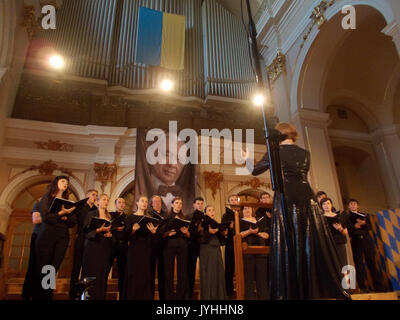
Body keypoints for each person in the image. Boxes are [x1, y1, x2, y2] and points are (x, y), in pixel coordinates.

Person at [244, 122, 349, 300]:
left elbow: (254, 170)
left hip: (286, 197)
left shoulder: (275, 153)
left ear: (278, 135)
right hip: (307, 197)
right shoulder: (305, 152)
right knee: (308, 242)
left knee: (288, 242)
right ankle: (316, 288)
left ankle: (290, 290)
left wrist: (246, 158)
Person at [33, 176, 77, 300]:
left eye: (67, 183)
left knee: (53, 267)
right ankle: (40, 296)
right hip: (47, 235)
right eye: (63, 181)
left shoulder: (67, 202)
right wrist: (60, 214)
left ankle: (47, 295)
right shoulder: (46, 198)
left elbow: (72, 222)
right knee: (44, 267)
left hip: (62, 237)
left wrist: (66, 216)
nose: (65, 184)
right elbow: (46, 217)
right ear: (56, 183)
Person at [134, 130, 196, 215]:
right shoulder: (141, 189)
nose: (173, 164)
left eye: (179, 159)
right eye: (167, 155)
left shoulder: (190, 198)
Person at [122, 195, 159, 300]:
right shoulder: (130, 218)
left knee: (145, 275)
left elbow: (155, 240)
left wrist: (154, 232)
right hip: (134, 250)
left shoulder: (150, 220)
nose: (144, 203)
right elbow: (124, 238)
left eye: (146, 202)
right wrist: (132, 230)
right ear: (137, 203)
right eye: (142, 201)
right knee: (133, 275)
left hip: (147, 251)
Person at [345, 199, 384, 292]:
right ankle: (362, 287)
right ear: (349, 207)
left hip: (366, 239)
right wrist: (355, 225)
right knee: (359, 263)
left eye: (355, 204)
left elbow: (369, 227)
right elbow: (348, 229)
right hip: (356, 239)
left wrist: (363, 223)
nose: (353, 205)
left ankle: (379, 286)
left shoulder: (364, 215)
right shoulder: (347, 216)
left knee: (371, 261)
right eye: (351, 204)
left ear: (358, 206)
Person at [81, 194, 113, 300]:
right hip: (92, 246)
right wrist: (98, 230)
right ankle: (86, 297)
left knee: (102, 274)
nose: (106, 202)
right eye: (104, 199)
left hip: (104, 248)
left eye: (107, 200)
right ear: (98, 202)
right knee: (90, 273)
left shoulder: (110, 217)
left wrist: (110, 235)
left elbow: (111, 233)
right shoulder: (91, 214)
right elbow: (85, 231)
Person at [69, 189, 98, 300]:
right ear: (87, 196)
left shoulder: (96, 210)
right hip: (81, 237)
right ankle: (72, 294)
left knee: (88, 267)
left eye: (96, 195)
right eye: (93, 195)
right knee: (76, 267)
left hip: (91, 239)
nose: (95, 197)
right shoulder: (80, 207)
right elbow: (73, 221)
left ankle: (85, 293)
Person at [160, 197, 191, 300]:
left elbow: (189, 235)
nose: (179, 205)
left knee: (182, 272)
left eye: (180, 203)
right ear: (172, 205)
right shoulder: (166, 217)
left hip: (182, 245)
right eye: (177, 203)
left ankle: (180, 296)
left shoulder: (184, 217)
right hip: (169, 245)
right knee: (168, 272)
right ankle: (169, 297)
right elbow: (161, 234)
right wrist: (168, 233)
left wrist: (186, 233)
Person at [240, 206, 270, 300]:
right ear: (242, 211)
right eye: (245, 208)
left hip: (261, 251)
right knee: (249, 278)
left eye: (249, 208)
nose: (247, 210)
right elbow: (238, 235)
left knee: (262, 278)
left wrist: (257, 233)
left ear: (252, 210)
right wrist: (249, 231)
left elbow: (267, 235)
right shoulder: (240, 221)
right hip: (247, 251)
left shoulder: (259, 220)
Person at [198, 205, 227, 300]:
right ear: (205, 213)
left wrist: (222, 233)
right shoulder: (202, 224)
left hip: (216, 250)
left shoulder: (217, 224)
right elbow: (199, 238)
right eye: (209, 210)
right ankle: (208, 297)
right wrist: (208, 232)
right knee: (208, 273)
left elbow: (222, 241)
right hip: (207, 250)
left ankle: (219, 296)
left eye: (213, 210)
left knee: (218, 272)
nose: (212, 212)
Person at [108, 197, 128, 297]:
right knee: (106, 269)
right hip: (111, 245)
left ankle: (122, 295)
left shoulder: (127, 218)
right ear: (116, 204)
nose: (121, 204)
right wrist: (115, 228)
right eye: (119, 202)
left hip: (123, 247)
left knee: (122, 273)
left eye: (123, 202)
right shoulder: (110, 216)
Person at [320, 198, 348, 270]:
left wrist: (340, 229)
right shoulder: (320, 218)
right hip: (328, 244)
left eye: (328, 203)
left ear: (331, 205)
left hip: (339, 243)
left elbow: (345, 232)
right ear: (321, 206)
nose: (326, 205)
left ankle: (345, 281)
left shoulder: (339, 216)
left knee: (342, 265)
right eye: (324, 204)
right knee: (331, 267)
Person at [149, 195, 168, 299]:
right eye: (155, 201)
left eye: (159, 201)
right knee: (150, 273)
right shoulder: (149, 215)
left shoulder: (166, 215)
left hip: (164, 246)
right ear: (151, 204)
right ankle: (150, 296)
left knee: (163, 274)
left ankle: (163, 297)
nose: (157, 203)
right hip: (151, 247)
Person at [22, 202, 41, 300]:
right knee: (33, 267)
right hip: (38, 236)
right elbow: (36, 220)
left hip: (52, 238)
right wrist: (54, 216)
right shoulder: (38, 204)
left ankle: (46, 295)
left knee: (50, 269)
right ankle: (27, 295)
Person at [221, 194, 239, 299]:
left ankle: (242, 288)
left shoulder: (241, 214)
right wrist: (229, 227)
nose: (234, 201)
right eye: (231, 200)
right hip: (230, 244)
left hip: (241, 244)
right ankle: (229, 291)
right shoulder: (226, 215)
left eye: (235, 200)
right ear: (229, 202)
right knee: (229, 268)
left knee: (242, 267)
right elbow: (223, 230)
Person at [188, 197, 205, 299]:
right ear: (194, 205)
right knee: (190, 270)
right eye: (198, 203)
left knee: (205, 270)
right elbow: (189, 231)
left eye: (201, 203)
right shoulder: (189, 216)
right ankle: (189, 294)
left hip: (204, 246)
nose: (200, 205)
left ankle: (205, 292)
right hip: (192, 246)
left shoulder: (206, 216)